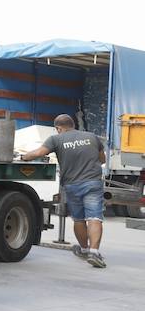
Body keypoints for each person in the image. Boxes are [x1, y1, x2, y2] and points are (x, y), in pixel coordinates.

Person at [19, 114, 107, 268]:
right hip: (93, 182)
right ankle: (94, 252)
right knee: (94, 217)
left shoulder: (56, 139)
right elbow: (103, 159)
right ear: (73, 125)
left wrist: (23, 158)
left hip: (72, 185)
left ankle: (84, 250)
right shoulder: (92, 137)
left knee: (79, 219)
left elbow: (39, 153)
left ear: (58, 128)